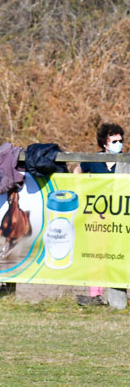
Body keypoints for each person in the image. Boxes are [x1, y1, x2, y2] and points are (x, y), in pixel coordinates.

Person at [76, 122, 123, 304]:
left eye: (120, 141)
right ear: (105, 143)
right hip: (97, 215)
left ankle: (120, 294)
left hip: (120, 216)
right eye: (114, 141)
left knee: (120, 253)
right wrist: (80, 190)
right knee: (97, 254)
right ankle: (95, 295)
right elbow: (78, 170)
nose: (118, 144)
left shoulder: (125, 162)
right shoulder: (94, 160)